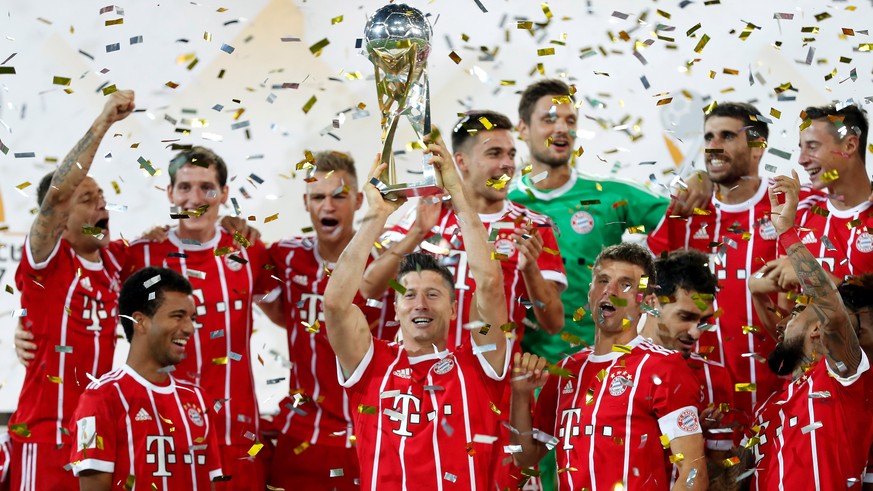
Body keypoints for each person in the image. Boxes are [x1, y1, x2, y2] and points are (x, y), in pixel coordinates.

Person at [324, 137, 510, 490]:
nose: (420, 304)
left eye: (434, 294)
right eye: (409, 295)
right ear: (395, 307)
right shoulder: (370, 362)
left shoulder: (478, 365)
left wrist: (457, 192)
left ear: (455, 309)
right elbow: (335, 304)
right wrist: (376, 216)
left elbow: (488, 284)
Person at [647, 102, 818, 420]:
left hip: (786, 401)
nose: (713, 146)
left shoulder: (794, 204)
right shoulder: (685, 210)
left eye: (726, 136)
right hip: (702, 409)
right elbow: (646, 297)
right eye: (709, 137)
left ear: (758, 146)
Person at [121, 146, 275, 489]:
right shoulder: (141, 254)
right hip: (162, 437)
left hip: (237, 437)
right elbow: (95, 317)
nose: (195, 198)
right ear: (170, 193)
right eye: (185, 187)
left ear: (224, 193)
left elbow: (290, 315)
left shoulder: (248, 249)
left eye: (207, 187)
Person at [8, 90, 135, 490]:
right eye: (88, 199)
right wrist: (102, 124)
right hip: (43, 437)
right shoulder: (47, 260)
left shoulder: (117, 260)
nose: (102, 206)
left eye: (102, 198)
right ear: (61, 217)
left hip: (94, 440)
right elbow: (58, 195)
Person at [510, 242, 707, 491]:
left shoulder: (664, 368)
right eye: (603, 280)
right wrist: (520, 395)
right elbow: (524, 457)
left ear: (645, 300)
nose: (610, 291)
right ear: (590, 292)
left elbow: (693, 471)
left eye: (625, 284)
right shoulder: (564, 373)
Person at [362, 110, 566, 350]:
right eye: (494, 153)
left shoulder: (533, 226)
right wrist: (417, 232)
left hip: (492, 377)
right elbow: (369, 289)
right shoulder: (430, 211)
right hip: (426, 378)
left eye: (511, 154)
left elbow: (553, 323)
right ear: (461, 162)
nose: (508, 164)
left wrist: (530, 268)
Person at [507, 79, 677, 362]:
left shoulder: (609, 195)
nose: (562, 128)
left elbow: (686, 224)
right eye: (550, 119)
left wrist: (700, 185)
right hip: (528, 372)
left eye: (569, 120)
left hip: (599, 367)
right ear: (523, 128)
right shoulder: (507, 205)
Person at [735, 172, 873, 489]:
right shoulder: (774, 405)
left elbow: (831, 308)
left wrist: (786, 232)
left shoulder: (843, 376)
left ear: (817, 331)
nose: (784, 322)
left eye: (798, 310)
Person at [266, 151, 393, 491]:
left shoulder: (388, 262)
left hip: (370, 431)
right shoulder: (286, 256)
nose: (328, 205)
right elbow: (278, 311)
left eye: (339, 196)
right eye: (318, 197)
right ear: (306, 203)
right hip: (303, 433)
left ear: (356, 201)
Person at [69, 267, 223, 489]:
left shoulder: (199, 400)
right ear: (140, 321)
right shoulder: (98, 399)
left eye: (191, 318)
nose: (189, 328)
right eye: (178, 316)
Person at [639, 250, 738, 476]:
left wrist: (695, 438)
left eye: (703, 321)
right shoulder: (609, 369)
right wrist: (685, 432)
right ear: (651, 303)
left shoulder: (715, 378)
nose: (695, 333)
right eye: (685, 317)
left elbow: (719, 472)